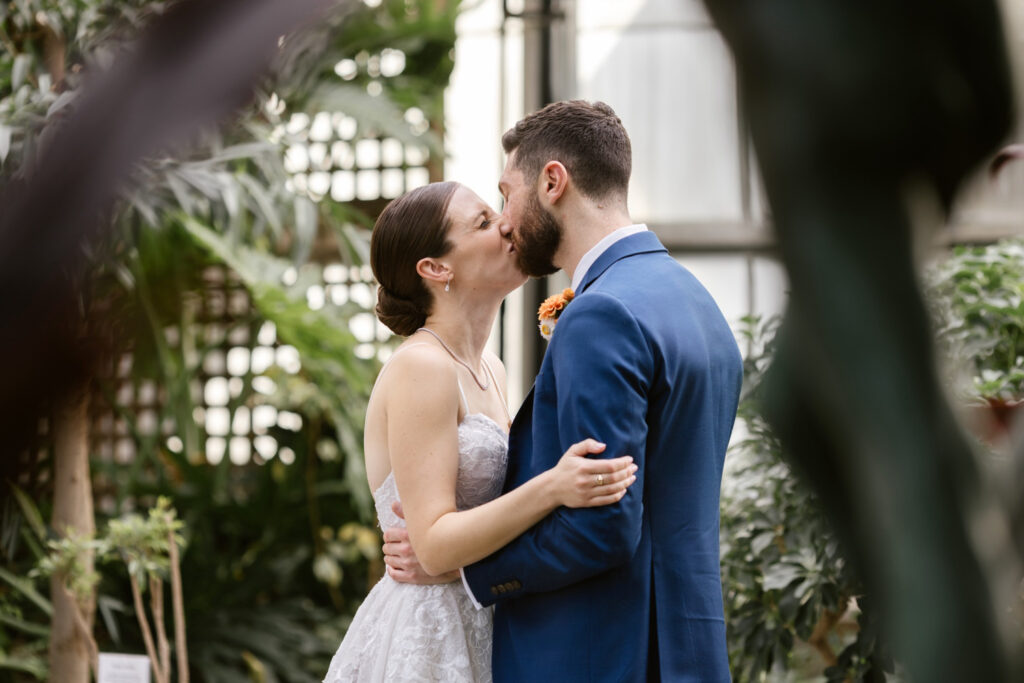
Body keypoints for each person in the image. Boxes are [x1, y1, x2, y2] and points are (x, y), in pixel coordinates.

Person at [384, 100, 743, 681]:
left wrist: (468, 572)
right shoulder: (696, 302)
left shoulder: (600, 314)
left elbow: (603, 524)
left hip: (597, 653)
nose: (504, 220)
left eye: (506, 194)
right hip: (688, 647)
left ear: (553, 181)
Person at [322, 180, 639, 682]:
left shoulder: (492, 367)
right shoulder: (422, 368)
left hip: (491, 613)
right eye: (484, 223)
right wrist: (553, 486)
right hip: (430, 634)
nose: (509, 225)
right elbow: (433, 545)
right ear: (436, 268)